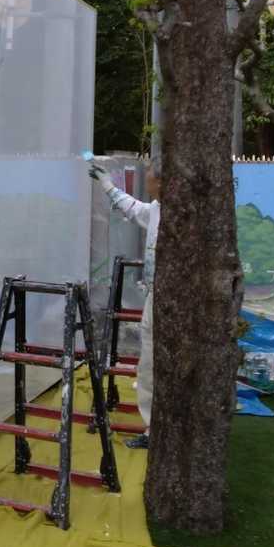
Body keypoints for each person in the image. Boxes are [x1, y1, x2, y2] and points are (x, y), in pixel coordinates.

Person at [88, 160, 159, 450]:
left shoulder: (181, 213)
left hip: (173, 299)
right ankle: (153, 429)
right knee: (148, 365)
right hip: (155, 295)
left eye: (150, 174)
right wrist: (107, 184)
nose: (147, 178)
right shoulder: (156, 209)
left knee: (158, 365)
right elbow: (131, 207)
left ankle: (163, 430)